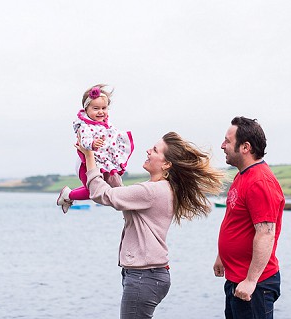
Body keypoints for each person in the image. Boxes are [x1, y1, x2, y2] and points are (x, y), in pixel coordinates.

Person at [77, 132, 223, 319]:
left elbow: (102, 195)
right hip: (147, 275)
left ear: (166, 164)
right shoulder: (157, 188)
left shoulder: (152, 191)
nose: (148, 151)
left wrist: (90, 157)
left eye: (154, 150)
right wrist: (110, 168)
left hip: (144, 276)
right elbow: (122, 195)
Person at [214, 116, 285, 319]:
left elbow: (266, 234)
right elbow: (235, 220)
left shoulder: (260, 181)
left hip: (255, 285)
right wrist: (222, 255)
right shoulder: (243, 175)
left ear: (245, 147)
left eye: (227, 141)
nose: (222, 146)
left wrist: (251, 280)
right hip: (236, 278)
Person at [58, 84, 134, 213]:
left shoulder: (105, 123)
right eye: (96, 108)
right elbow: (84, 141)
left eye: (104, 108)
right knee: (93, 191)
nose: (101, 112)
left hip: (103, 162)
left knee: (111, 188)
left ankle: (128, 206)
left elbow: (111, 135)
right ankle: (68, 195)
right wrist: (92, 144)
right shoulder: (84, 125)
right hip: (86, 164)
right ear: (86, 109)